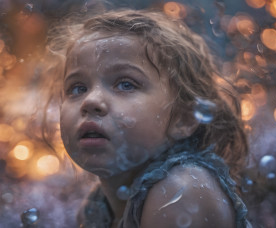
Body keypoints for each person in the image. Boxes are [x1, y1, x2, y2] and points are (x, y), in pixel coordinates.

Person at [54, 9, 250, 228]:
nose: (90, 101)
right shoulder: (95, 208)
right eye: (78, 88)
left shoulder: (181, 192)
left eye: (126, 84)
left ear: (184, 119)